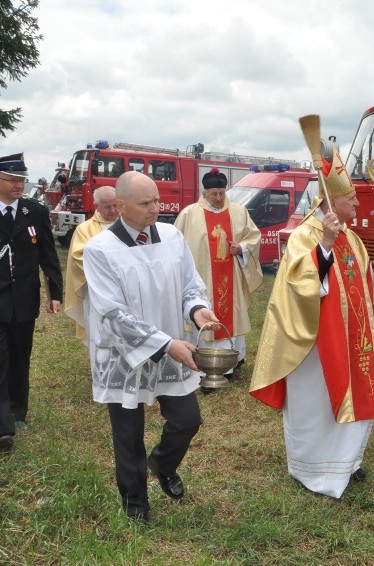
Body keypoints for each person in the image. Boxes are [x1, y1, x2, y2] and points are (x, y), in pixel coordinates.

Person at [250, 124, 374, 499]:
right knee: (317, 403)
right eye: (353, 200)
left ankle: (348, 462)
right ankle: (313, 469)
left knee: (359, 391)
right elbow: (300, 286)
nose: (358, 205)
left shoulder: (350, 235)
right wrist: (325, 246)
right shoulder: (306, 236)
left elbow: (357, 286)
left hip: (352, 338)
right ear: (333, 202)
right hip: (315, 343)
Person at [82, 171, 218, 523]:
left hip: (172, 343)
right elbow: (112, 314)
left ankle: (163, 464)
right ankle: (135, 501)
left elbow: (190, 285)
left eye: (157, 200)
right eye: (146, 203)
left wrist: (197, 309)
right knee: (128, 432)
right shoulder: (100, 250)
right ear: (121, 206)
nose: (156, 208)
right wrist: (166, 343)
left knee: (187, 420)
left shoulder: (172, 237)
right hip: (122, 352)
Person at [174, 168, 262, 383]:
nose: (218, 198)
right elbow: (175, 246)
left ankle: (231, 362)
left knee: (228, 314)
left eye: (222, 193)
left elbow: (254, 237)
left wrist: (241, 248)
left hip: (229, 278)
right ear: (204, 193)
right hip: (200, 280)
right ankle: (199, 364)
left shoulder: (239, 212)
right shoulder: (189, 214)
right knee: (203, 313)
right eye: (213, 193)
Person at [0, 153, 63, 451]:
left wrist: (55, 292)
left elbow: (48, 254)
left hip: (24, 299)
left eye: (21, 180)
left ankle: (17, 410)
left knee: (20, 356)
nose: (18, 185)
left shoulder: (34, 212)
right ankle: (3, 425)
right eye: (12, 180)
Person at [64, 186, 120, 342]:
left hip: (126, 288)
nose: (113, 210)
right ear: (97, 206)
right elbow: (78, 256)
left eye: (115, 205)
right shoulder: (84, 229)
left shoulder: (128, 224)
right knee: (99, 332)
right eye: (107, 206)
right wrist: (109, 270)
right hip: (98, 290)